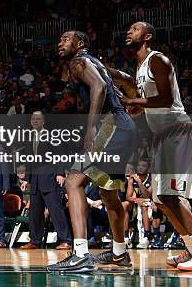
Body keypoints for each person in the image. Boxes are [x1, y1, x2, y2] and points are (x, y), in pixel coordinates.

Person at [109, 22, 192, 270]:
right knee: (160, 199)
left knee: (170, 196)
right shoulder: (139, 67)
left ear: (148, 36)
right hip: (161, 134)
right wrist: (133, 107)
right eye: (128, 28)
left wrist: (132, 99)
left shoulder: (157, 60)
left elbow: (166, 98)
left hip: (176, 130)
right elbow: (149, 104)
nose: (129, 31)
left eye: (136, 29)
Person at [47, 31, 137, 272]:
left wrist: (91, 126)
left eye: (65, 39)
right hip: (124, 125)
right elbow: (128, 79)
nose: (60, 42)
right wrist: (132, 102)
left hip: (111, 125)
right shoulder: (99, 64)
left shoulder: (79, 62)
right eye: (60, 39)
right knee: (108, 194)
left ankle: (80, 254)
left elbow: (98, 86)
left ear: (80, 43)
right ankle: (119, 253)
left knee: (73, 181)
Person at [18, 111, 72, 250]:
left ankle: (65, 240)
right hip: (35, 180)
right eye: (33, 119)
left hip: (50, 178)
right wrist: (26, 180)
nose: (35, 121)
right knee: (35, 213)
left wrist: (60, 173)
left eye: (38, 119)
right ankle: (35, 241)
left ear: (43, 121)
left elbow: (61, 155)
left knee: (56, 211)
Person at [125, 159, 153, 249]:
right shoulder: (132, 178)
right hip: (135, 202)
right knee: (124, 205)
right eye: (139, 165)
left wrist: (140, 183)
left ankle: (146, 237)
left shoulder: (152, 178)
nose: (141, 167)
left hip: (150, 202)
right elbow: (128, 197)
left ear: (148, 168)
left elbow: (147, 196)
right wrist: (137, 200)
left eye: (144, 165)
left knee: (144, 205)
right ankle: (126, 238)